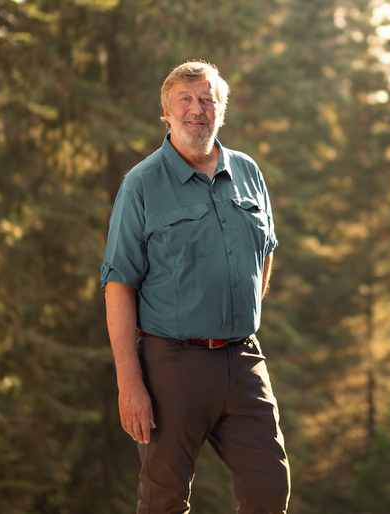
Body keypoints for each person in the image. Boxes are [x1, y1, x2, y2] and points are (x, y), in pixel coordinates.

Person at [101, 61, 290, 514]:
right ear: (165, 112)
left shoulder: (248, 171)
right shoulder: (141, 184)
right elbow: (119, 285)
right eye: (184, 99)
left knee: (269, 490)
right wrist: (131, 384)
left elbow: (265, 253)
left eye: (207, 99)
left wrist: (234, 318)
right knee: (164, 500)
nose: (196, 109)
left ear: (221, 110)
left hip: (244, 360)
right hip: (172, 363)